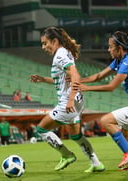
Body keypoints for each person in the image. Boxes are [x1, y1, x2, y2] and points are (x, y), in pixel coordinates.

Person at [73, 31, 128, 171]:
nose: (108, 49)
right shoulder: (120, 60)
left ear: (120, 48)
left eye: (111, 47)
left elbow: (111, 87)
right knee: (125, 137)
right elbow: (99, 75)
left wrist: (86, 88)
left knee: (105, 121)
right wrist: (79, 81)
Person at [29, 26, 105, 173]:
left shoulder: (59, 55)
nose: (43, 47)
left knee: (41, 129)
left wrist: (69, 100)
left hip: (69, 102)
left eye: (45, 43)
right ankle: (96, 163)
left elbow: (75, 75)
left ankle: (66, 155)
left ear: (55, 40)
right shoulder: (65, 52)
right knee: (76, 136)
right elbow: (63, 78)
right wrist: (43, 79)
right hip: (77, 101)